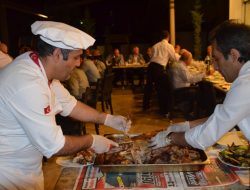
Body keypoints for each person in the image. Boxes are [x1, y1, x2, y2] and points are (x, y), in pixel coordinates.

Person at [0, 21, 131, 189]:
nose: (79, 63)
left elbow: (71, 105)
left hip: (26, 167)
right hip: (8, 174)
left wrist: (107, 119)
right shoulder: (28, 84)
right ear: (56, 54)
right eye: (76, 57)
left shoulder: (37, 65)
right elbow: (55, 146)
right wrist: (91, 141)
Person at [150, 21, 250, 150]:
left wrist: (170, 137)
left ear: (234, 55)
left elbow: (204, 137)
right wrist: (188, 125)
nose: (215, 66)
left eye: (217, 58)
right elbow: (226, 118)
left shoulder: (244, 84)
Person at [143, 30, 179, 114]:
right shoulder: (169, 46)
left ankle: (145, 106)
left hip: (151, 66)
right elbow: (173, 58)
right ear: (168, 37)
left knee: (148, 87)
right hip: (159, 68)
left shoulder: (155, 45)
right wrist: (179, 56)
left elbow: (152, 56)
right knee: (161, 89)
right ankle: (162, 110)